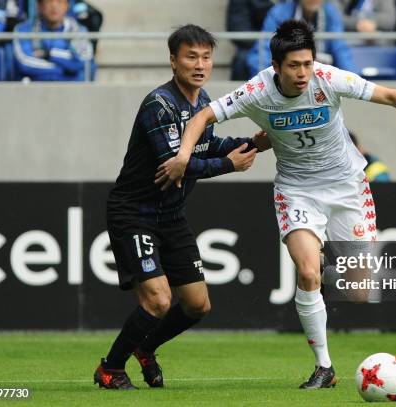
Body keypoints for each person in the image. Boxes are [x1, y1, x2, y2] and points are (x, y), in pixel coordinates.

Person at [156, 20, 396, 389]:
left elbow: (389, 95)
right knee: (307, 272)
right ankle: (324, 367)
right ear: (276, 67)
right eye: (294, 66)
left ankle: (325, 261)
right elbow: (203, 116)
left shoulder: (329, 79)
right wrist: (183, 156)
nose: (303, 73)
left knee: (358, 293)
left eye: (308, 64)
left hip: (347, 188)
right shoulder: (257, 91)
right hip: (297, 190)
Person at [93, 24, 267, 390]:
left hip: (171, 217)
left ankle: (146, 347)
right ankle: (110, 368)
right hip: (134, 212)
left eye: (206, 57)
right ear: (173, 61)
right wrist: (229, 165)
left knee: (198, 305)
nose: (200, 64)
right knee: (158, 299)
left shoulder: (203, 104)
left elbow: (208, 145)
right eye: (191, 57)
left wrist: (253, 143)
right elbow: (175, 165)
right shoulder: (158, 105)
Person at [246, 0, 359, 77]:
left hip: (321, 75)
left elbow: (341, 50)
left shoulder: (331, 13)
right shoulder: (279, 13)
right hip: (287, 74)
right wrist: (262, 81)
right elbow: (263, 50)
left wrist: (353, 80)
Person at [12, 0, 95, 81]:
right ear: (39, 6)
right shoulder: (23, 30)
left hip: (73, 91)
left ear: (67, 5)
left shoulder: (79, 30)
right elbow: (25, 64)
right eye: (48, 1)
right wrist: (68, 69)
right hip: (35, 91)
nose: (54, 6)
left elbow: (82, 62)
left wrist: (49, 54)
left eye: (59, 1)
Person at [226, 0, 277, 80]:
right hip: (255, 45)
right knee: (243, 59)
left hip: (278, 45)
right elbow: (238, 30)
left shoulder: (289, 5)